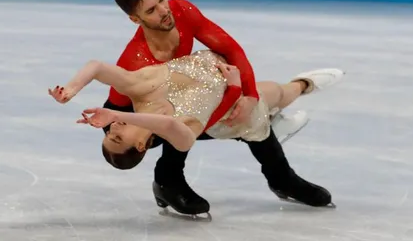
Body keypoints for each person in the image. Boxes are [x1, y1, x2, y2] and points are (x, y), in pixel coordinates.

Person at [91, 0, 323, 215]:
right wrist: (232, 98)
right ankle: (167, 180)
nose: (163, 10)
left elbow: (230, 49)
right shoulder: (134, 63)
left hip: (182, 105)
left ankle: (280, 176)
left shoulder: (181, 11)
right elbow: (115, 112)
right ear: (134, 19)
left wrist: (249, 95)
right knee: (180, 117)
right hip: (140, 125)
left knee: (250, 106)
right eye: (151, 10)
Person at [48, 49, 345, 212]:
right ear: (140, 147)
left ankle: (303, 85)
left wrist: (70, 91)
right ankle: (296, 96)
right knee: (274, 98)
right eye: (116, 136)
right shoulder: (180, 133)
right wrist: (113, 112)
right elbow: (167, 125)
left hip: (226, 78)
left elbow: (97, 65)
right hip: (235, 116)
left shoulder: (138, 90)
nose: (113, 127)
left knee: (277, 92)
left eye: (110, 130)